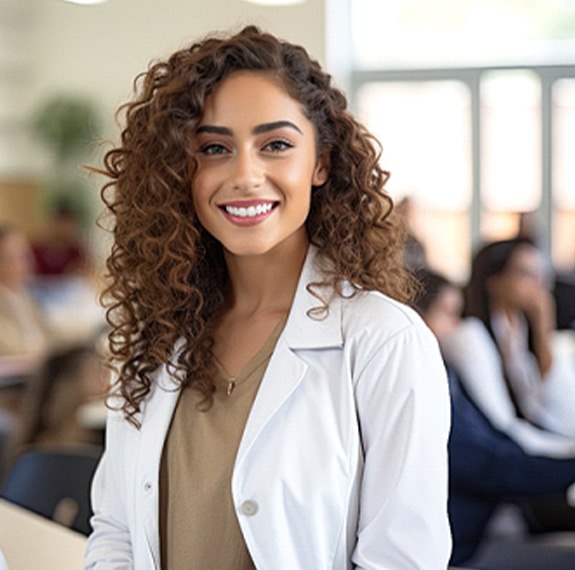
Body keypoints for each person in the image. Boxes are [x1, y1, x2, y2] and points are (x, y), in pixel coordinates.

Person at [84, 26, 451, 569]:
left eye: (275, 145)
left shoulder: (384, 341)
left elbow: (402, 559)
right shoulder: (156, 335)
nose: (245, 175)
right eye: (214, 149)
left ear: (321, 163)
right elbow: (116, 532)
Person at [414, 269, 575, 565]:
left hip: (477, 530)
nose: (457, 326)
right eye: (448, 314)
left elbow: (497, 442)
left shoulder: (446, 375)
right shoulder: (422, 386)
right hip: (459, 548)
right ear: (416, 319)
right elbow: (487, 466)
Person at [442, 237, 575, 450]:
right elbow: (502, 425)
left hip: (525, 447)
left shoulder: (520, 332)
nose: (538, 284)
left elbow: (567, 416)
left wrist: (543, 330)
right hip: (493, 458)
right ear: (494, 281)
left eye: (540, 274)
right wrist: (565, 451)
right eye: (526, 273)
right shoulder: (470, 337)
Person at [0, 225, 52, 358]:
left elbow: (49, 332)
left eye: (25, 255)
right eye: (11, 257)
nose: (25, 263)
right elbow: (14, 347)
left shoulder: (23, 294)